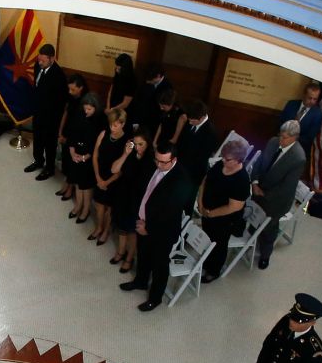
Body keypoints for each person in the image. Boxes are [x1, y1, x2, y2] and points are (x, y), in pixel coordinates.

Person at [118, 140, 197, 312]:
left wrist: (148, 228)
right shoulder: (154, 165)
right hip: (142, 222)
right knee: (143, 254)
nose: (159, 165)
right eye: (157, 160)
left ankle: (155, 298)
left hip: (162, 231)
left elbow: (169, 212)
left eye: (164, 162)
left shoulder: (181, 180)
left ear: (174, 159)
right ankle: (140, 281)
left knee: (159, 264)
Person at [247, 119, 307, 270]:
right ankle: (251, 239)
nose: (281, 140)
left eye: (285, 137)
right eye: (280, 135)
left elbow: (286, 188)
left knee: (269, 229)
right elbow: (259, 163)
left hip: (276, 200)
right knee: (252, 216)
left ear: (295, 137)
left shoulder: (298, 158)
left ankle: (265, 255)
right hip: (258, 189)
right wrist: (254, 183)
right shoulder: (273, 142)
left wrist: (263, 195)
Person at [196, 139, 251, 283]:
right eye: (223, 157)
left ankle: (213, 270)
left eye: (228, 159)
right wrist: (200, 202)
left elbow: (234, 206)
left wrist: (211, 214)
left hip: (224, 220)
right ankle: (205, 260)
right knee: (207, 238)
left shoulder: (242, 180)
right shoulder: (221, 164)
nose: (223, 160)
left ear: (239, 160)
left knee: (218, 244)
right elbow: (205, 181)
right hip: (207, 211)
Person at [22, 44, 67, 180]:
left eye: (43, 60)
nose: (40, 63)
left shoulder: (59, 76)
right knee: (38, 139)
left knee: (49, 143)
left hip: (51, 117)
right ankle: (38, 161)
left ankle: (49, 168)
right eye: (39, 59)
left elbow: (60, 102)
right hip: (38, 112)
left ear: (52, 58)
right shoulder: (38, 66)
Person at [108, 132, 151, 272]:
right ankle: (121, 252)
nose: (138, 147)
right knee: (121, 227)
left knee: (132, 231)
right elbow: (114, 169)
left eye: (141, 144)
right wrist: (126, 154)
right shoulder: (130, 154)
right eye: (136, 144)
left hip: (138, 200)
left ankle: (129, 258)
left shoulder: (151, 160)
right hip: (123, 195)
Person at [91, 107, 131, 245]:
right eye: (110, 124)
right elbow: (95, 154)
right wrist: (97, 177)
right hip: (100, 174)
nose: (112, 128)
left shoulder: (127, 141)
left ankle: (106, 231)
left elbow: (121, 169)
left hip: (114, 180)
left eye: (115, 125)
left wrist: (106, 182)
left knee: (109, 208)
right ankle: (98, 227)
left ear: (122, 124)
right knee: (98, 204)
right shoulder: (103, 133)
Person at [63, 92, 102, 226]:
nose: (86, 111)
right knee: (78, 183)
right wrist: (72, 151)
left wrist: (86, 156)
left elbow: (97, 144)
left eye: (89, 109)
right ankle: (78, 205)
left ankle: (86, 210)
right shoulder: (80, 115)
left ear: (96, 108)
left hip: (90, 157)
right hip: (76, 153)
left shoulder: (99, 121)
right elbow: (72, 133)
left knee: (86, 186)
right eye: (85, 108)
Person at [54, 74, 89, 203]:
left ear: (81, 88)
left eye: (73, 89)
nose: (70, 92)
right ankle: (67, 184)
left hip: (77, 137)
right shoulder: (71, 98)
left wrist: (69, 140)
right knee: (66, 160)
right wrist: (60, 131)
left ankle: (70, 188)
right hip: (67, 132)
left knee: (72, 164)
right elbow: (66, 113)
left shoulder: (86, 101)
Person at [175, 100, 218, 189]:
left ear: (201, 118)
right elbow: (181, 142)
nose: (189, 123)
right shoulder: (191, 120)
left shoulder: (210, 132)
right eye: (189, 120)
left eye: (192, 121)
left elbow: (202, 157)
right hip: (180, 165)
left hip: (193, 173)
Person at [279, 82, 322, 151]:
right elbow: (281, 121)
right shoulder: (291, 104)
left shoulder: (318, 114)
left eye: (315, 99)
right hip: (281, 141)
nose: (312, 101)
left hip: (298, 148)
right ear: (304, 95)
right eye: (310, 98)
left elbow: (310, 137)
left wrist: (290, 140)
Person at [132, 65, 170, 145]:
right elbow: (137, 103)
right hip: (141, 123)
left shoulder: (167, 88)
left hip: (154, 127)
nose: (147, 82)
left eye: (150, 80)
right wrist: (135, 123)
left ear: (158, 76)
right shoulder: (145, 81)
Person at [153, 86, 185, 152]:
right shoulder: (164, 111)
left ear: (171, 104)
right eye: (160, 106)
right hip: (161, 140)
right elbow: (161, 125)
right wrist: (155, 141)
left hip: (169, 146)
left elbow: (174, 139)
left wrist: (161, 147)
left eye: (163, 106)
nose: (161, 108)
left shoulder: (181, 116)